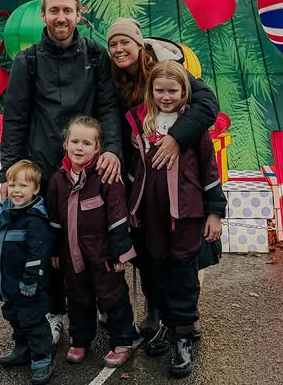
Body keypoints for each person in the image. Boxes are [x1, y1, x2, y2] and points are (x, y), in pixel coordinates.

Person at [0, 0, 123, 344]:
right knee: (48, 247)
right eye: (54, 11)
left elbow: (108, 109)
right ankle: (52, 315)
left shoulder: (97, 57)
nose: (61, 18)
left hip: (87, 168)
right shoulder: (28, 61)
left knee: (95, 240)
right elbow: (15, 118)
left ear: (79, 14)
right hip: (45, 167)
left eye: (67, 11)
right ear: (44, 15)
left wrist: (112, 149)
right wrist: (9, 171)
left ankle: (102, 303)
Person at [106, 17, 220, 336]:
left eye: (124, 42)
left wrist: (177, 137)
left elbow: (207, 103)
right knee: (148, 250)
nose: (118, 49)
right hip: (139, 173)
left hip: (177, 169)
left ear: (139, 43)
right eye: (113, 43)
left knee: (180, 252)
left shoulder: (165, 67)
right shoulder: (113, 77)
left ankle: (182, 318)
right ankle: (154, 309)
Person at [126, 61, 225, 378]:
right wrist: (132, 209)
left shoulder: (192, 126)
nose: (166, 96)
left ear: (185, 92)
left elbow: (209, 171)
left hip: (187, 214)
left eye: (173, 90)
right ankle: (169, 326)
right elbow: (133, 172)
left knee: (182, 273)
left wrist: (214, 212)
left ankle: (182, 337)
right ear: (150, 91)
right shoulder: (141, 124)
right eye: (160, 90)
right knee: (155, 270)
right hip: (150, 215)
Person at [46, 116, 136, 368]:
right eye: (74, 141)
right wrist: (54, 250)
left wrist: (120, 255)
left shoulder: (106, 177)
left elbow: (118, 217)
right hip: (71, 255)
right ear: (65, 143)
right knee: (77, 297)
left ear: (97, 148)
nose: (79, 147)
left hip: (103, 254)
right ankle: (80, 340)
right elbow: (54, 220)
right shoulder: (57, 180)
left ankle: (122, 342)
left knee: (113, 297)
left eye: (86, 143)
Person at [0, 160, 55, 385]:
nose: (16, 190)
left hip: (29, 287)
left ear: (36, 189)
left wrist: (30, 281)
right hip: (9, 284)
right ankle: (22, 349)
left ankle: (42, 359)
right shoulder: (7, 213)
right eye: (13, 185)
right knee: (13, 316)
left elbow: (38, 254)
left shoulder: (35, 220)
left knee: (33, 322)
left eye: (23, 186)